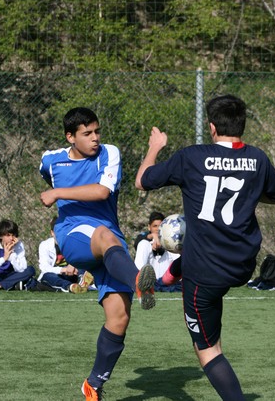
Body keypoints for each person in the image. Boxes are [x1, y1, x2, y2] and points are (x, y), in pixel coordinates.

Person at [135, 94, 275, 400]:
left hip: (204, 272)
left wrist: (155, 147)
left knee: (207, 348)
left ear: (212, 127)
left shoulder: (191, 156)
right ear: (242, 125)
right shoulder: (258, 158)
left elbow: (142, 181)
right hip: (242, 265)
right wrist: (249, 189)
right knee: (194, 247)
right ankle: (158, 281)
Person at [39, 106, 156, 400]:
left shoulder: (109, 153)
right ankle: (139, 282)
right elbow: (50, 179)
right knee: (102, 236)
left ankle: (93, 384)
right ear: (70, 137)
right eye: (86, 133)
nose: (95, 138)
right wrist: (57, 193)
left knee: (119, 318)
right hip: (74, 234)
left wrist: (57, 194)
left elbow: (103, 192)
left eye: (97, 131)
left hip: (110, 244)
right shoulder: (50, 161)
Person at [37, 216, 94, 293]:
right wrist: (64, 270)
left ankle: (82, 282)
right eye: (58, 232)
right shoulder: (45, 245)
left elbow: (82, 257)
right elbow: (45, 268)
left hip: (73, 275)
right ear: (52, 233)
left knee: (83, 266)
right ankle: (71, 287)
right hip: (56, 276)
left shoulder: (74, 242)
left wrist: (74, 265)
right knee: (46, 276)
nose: (61, 234)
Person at [134, 211, 182, 292]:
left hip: (168, 280)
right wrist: (153, 236)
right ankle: (139, 279)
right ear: (149, 227)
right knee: (143, 244)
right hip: (149, 279)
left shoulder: (170, 237)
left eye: (160, 226)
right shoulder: (144, 239)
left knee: (175, 245)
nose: (157, 229)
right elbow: (137, 241)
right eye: (155, 226)